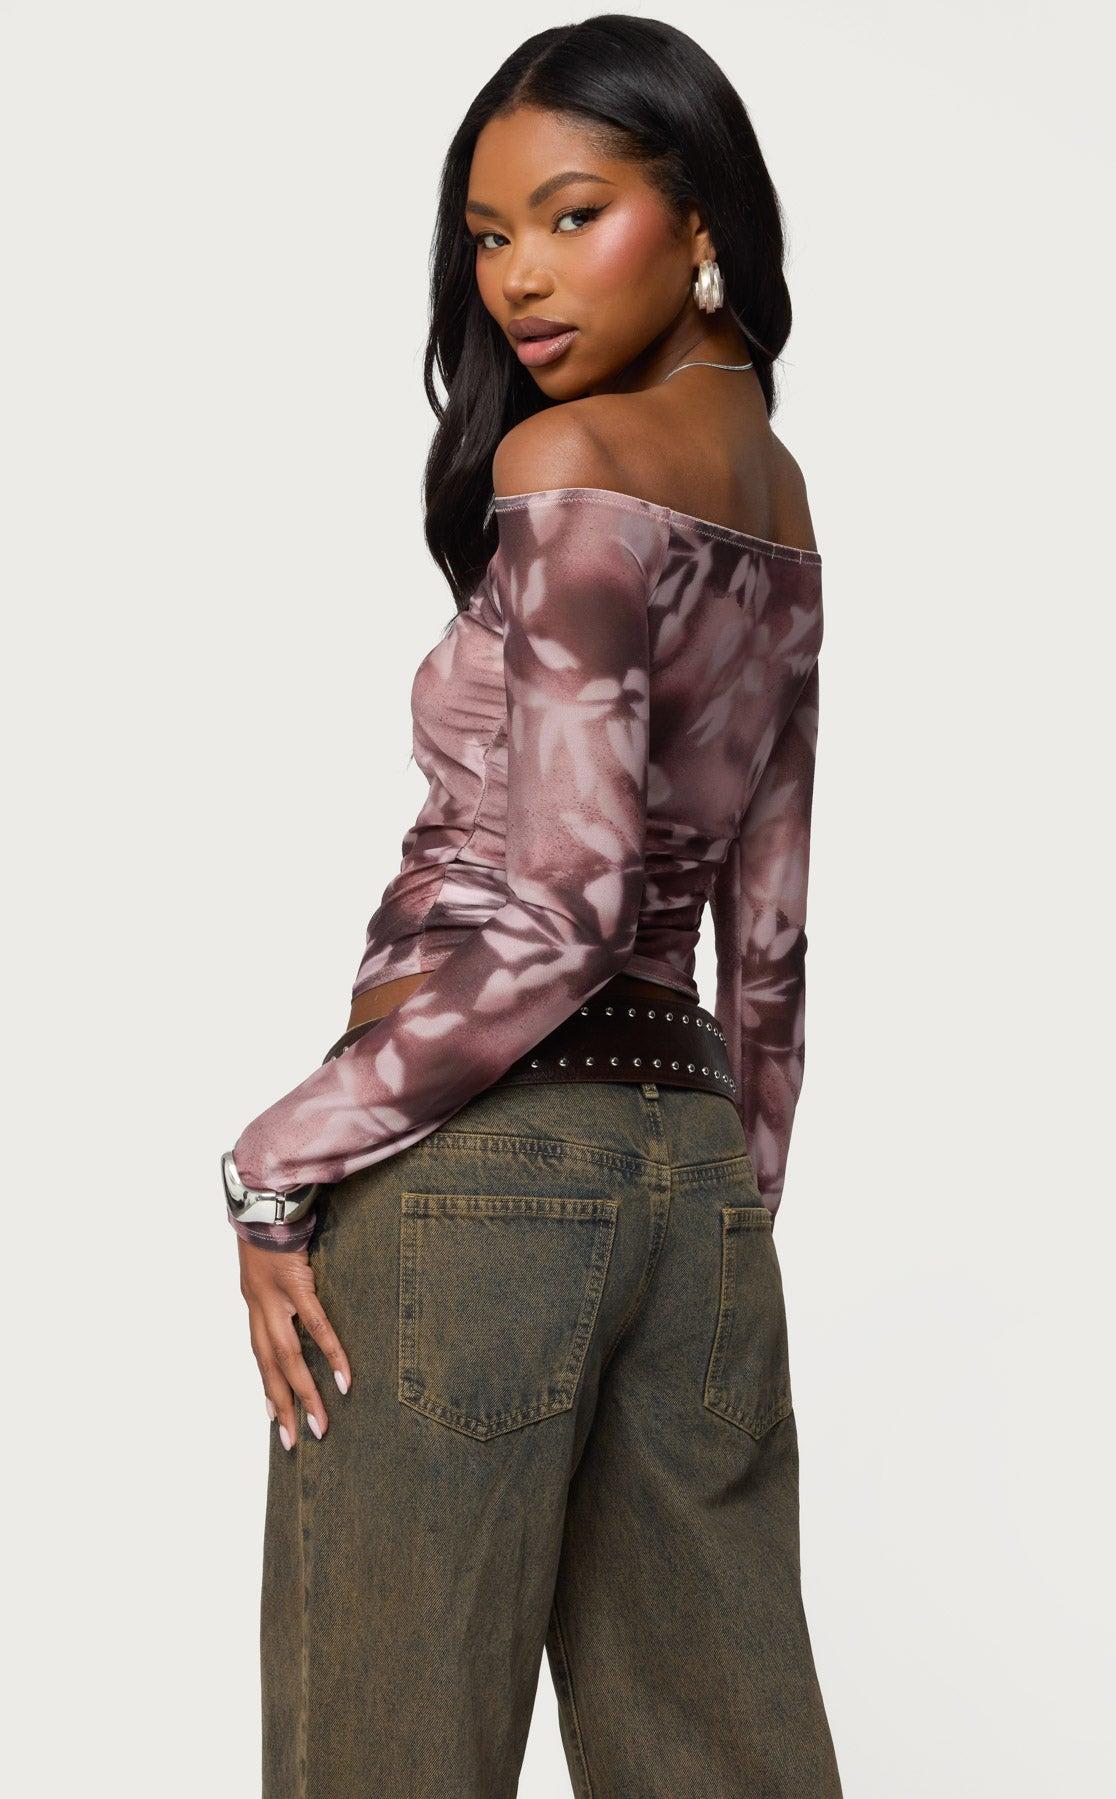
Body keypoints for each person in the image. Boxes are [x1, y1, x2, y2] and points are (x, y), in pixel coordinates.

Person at [224, 15, 843, 1796]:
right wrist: (725, 1212)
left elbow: (563, 911)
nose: (519, 278)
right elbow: (771, 932)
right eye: (491, 236)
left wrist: (277, 1157)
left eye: (575, 216)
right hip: (693, 1174)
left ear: (702, 215)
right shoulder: (782, 498)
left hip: (474, 1165)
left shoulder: (569, 468)